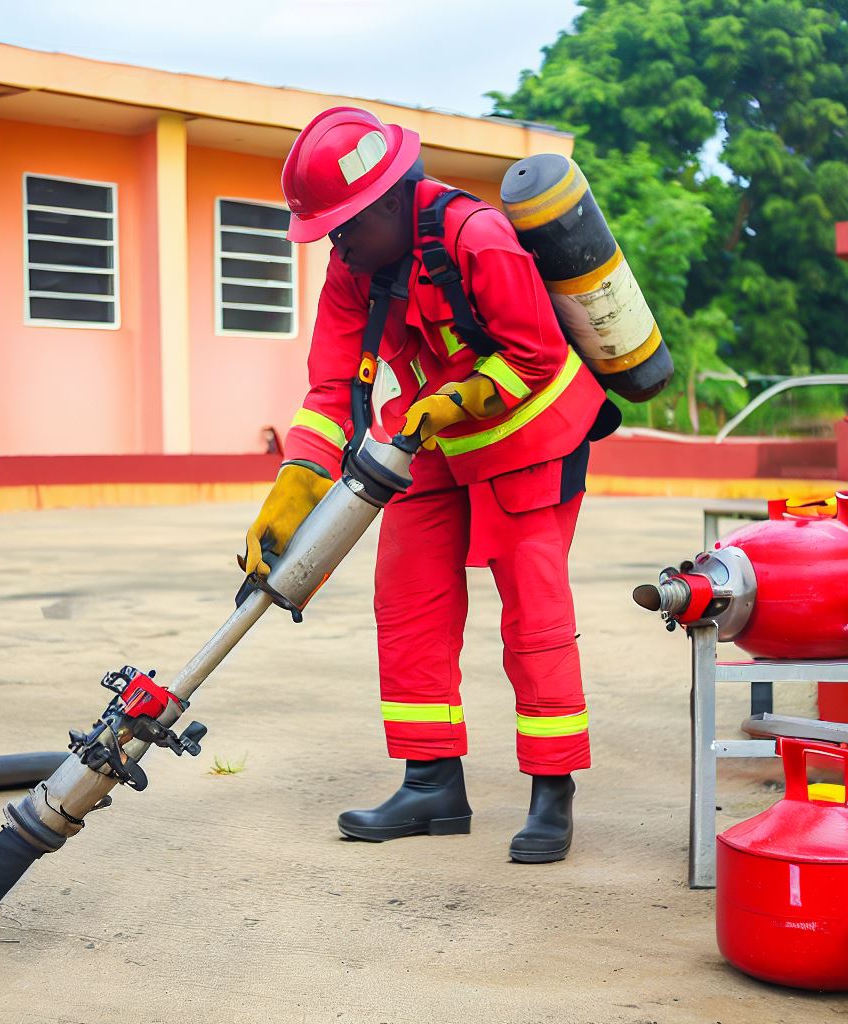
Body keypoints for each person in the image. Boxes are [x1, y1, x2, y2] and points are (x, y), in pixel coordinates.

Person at [242, 106, 615, 863]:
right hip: (430, 441)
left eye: (343, 226)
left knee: (533, 614)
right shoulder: (353, 271)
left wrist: (458, 398)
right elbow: (329, 392)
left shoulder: (478, 237)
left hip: (530, 436)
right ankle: (431, 784)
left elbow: (535, 358)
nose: (335, 245)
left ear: (387, 200)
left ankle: (552, 792)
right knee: (408, 600)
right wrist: (292, 492)